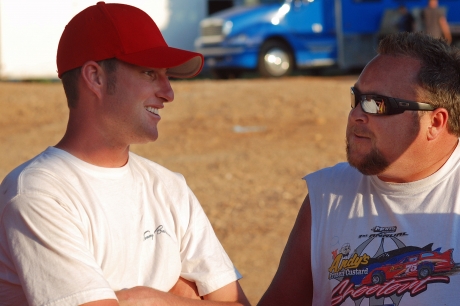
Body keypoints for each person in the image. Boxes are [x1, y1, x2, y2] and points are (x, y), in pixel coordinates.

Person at [0, 2, 251, 306]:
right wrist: (184, 293)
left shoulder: (169, 186)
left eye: (166, 75)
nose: (168, 93)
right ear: (95, 77)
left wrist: (146, 299)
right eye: (149, 73)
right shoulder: (38, 195)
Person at [258, 32, 460, 305]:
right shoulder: (329, 194)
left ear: (435, 122)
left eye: (377, 103)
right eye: (357, 98)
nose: (355, 115)